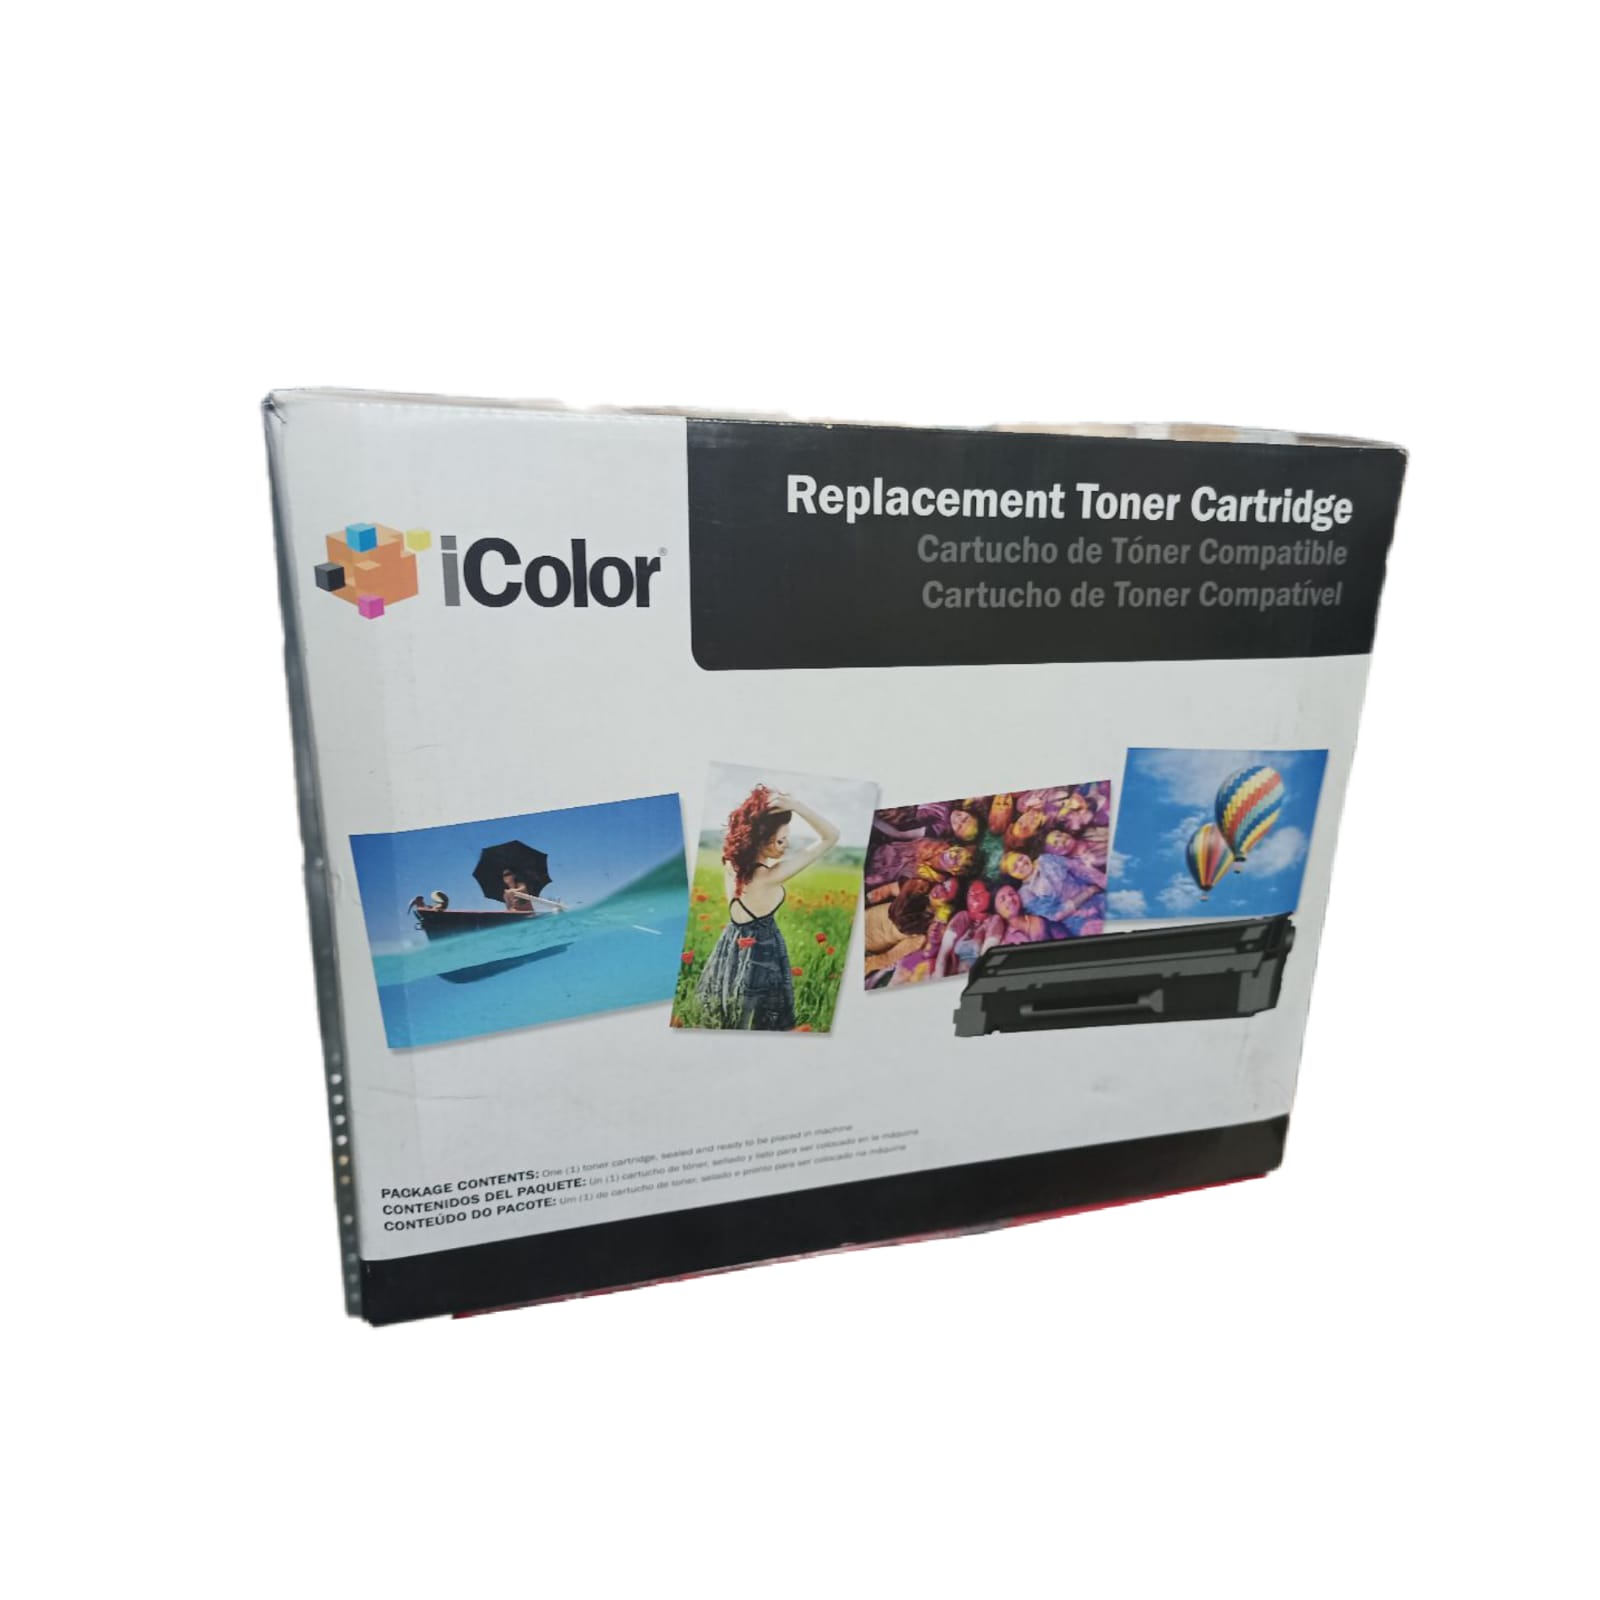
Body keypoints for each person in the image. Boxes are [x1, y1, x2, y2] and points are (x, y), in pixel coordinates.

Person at [697, 785, 839, 1030]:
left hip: (730, 943)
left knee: (731, 1013)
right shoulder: (769, 876)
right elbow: (831, 836)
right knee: (754, 1021)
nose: (786, 845)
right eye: (781, 840)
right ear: (760, 840)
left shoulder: (731, 864)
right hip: (762, 953)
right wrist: (797, 807)